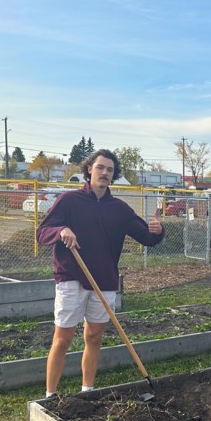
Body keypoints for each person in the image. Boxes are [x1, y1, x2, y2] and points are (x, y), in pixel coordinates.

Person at [37, 149, 165, 398]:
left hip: (104, 280)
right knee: (62, 339)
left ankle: (87, 391)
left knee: (94, 338)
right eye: (100, 167)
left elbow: (147, 237)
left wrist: (158, 230)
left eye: (110, 170)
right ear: (89, 170)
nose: (105, 173)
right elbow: (42, 233)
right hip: (71, 278)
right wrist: (61, 230)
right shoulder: (69, 201)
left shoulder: (119, 209)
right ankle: (51, 396)